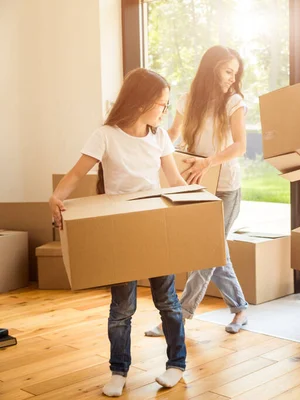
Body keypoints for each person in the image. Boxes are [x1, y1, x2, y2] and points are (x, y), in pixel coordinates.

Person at [49, 68, 187, 397]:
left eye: (167, 106)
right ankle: (119, 369)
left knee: (167, 300)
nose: (163, 112)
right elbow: (76, 173)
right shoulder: (106, 135)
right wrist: (56, 197)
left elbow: (176, 183)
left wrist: (200, 203)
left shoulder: (160, 137)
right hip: (120, 228)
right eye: (161, 105)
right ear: (141, 102)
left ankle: (176, 364)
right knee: (122, 307)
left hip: (155, 225)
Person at [145, 45, 249, 337]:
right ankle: (240, 308)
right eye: (228, 71)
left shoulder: (234, 102)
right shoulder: (187, 100)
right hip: (194, 185)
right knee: (216, 253)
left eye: (235, 73)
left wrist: (209, 161)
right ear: (212, 68)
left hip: (225, 187)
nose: (232, 78)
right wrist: (149, 143)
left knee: (207, 251)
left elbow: (240, 146)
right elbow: (173, 135)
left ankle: (178, 316)